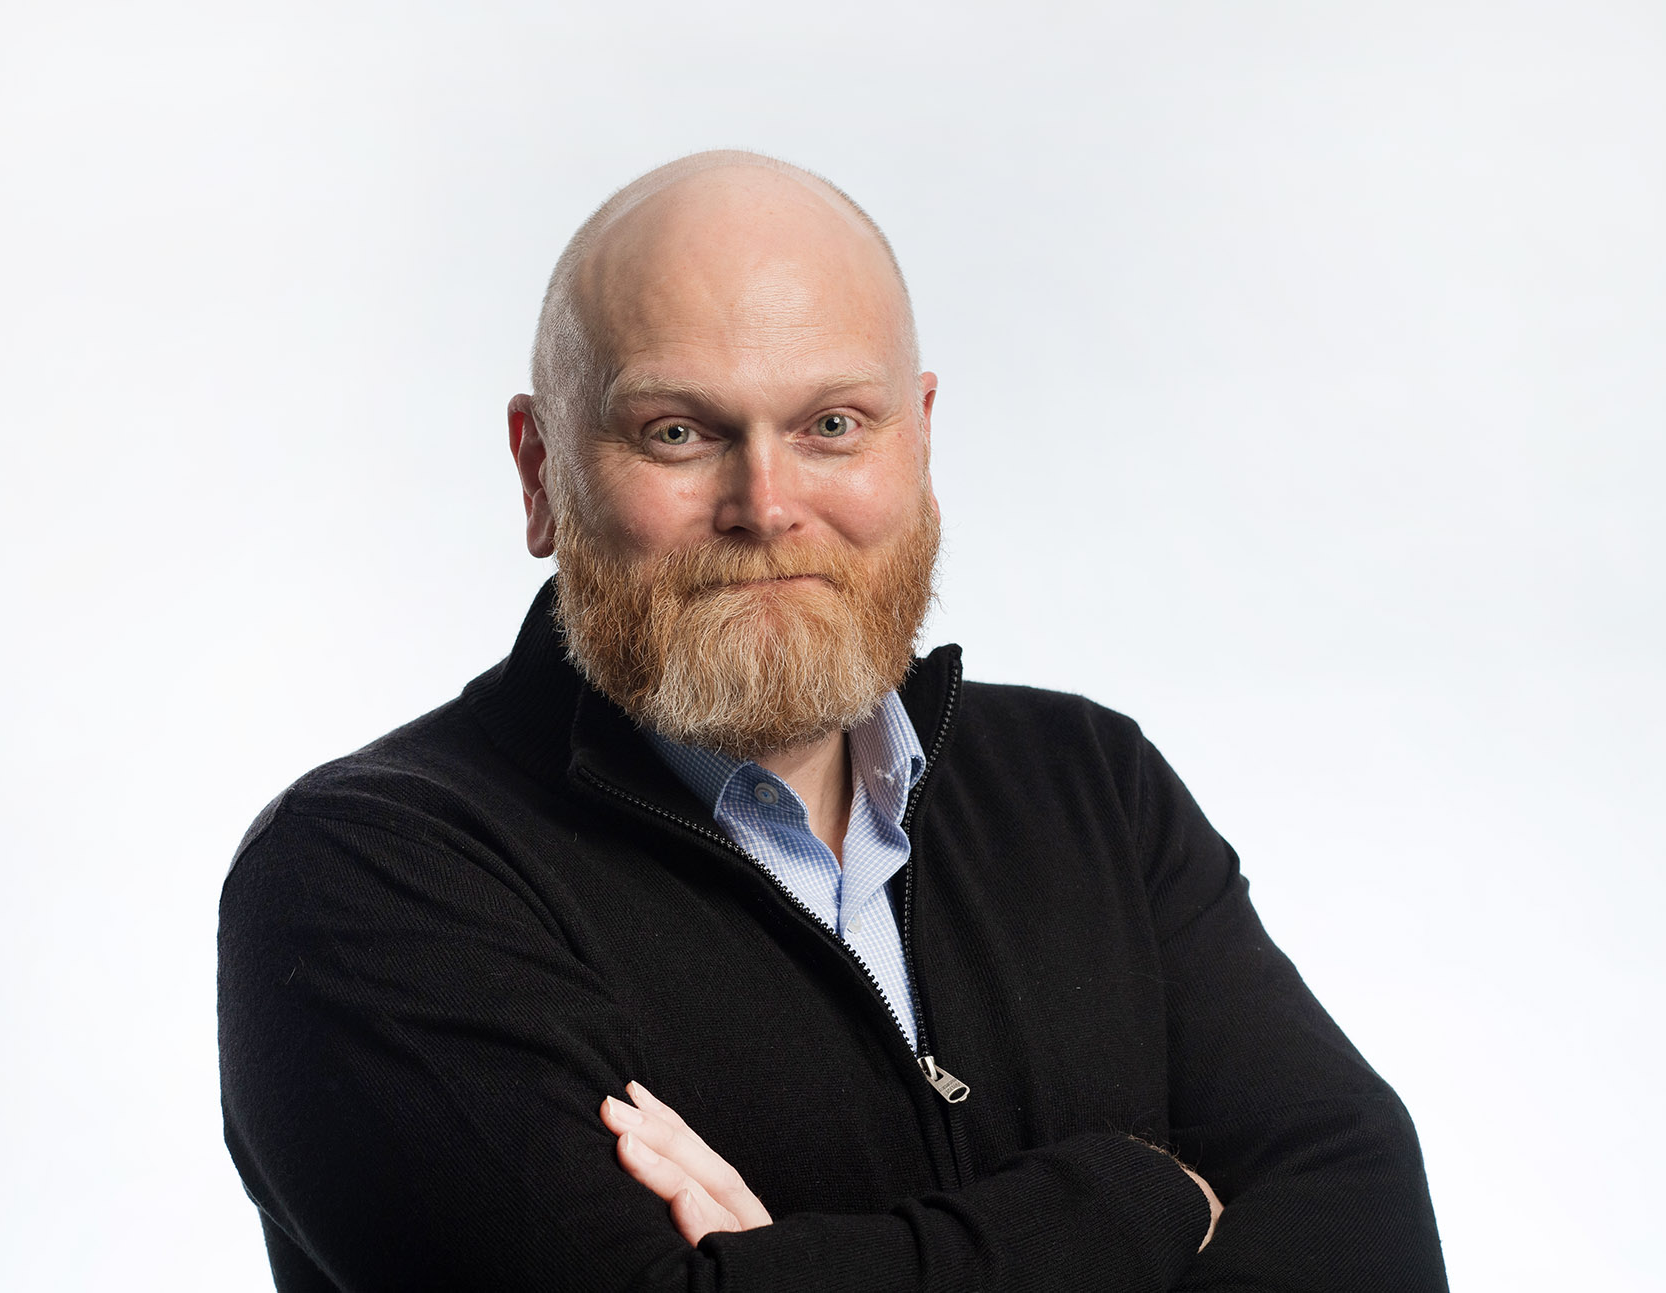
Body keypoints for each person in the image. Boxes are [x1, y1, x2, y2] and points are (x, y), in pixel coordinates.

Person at [218, 150, 1447, 1291]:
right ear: (540, 470)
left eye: (831, 426)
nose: (766, 504)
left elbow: (1369, 1226)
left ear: (918, 438)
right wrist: (1139, 1200)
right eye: (679, 432)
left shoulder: (1088, 788)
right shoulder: (365, 878)